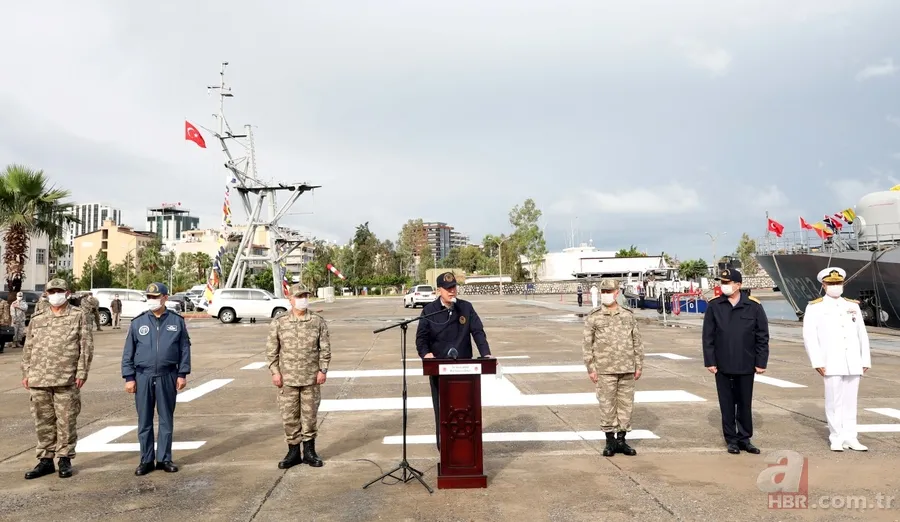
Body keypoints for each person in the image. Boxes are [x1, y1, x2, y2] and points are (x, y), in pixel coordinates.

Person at [21, 278, 93, 479]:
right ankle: (45, 460)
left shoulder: (78, 316)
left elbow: (86, 346)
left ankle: (64, 459)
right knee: (43, 421)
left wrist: (82, 372)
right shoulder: (38, 318)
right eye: (51, 291)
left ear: (67, 293)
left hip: (66, 378)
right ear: (46, 293)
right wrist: (26, 372)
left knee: (66, 421)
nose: (55, 294)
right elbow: (29, 347)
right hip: (39, 378)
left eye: (59, 291)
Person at [415, 271, 492, 450]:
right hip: (439, 370)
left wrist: (486, 353)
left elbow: (478, 332)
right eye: (448, 289)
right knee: (442, 411)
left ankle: (466, 449)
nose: (452, 291)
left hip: (464, 371)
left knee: (465, 411)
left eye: (454, 287)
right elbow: (421, 339)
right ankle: (444, 449)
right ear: (438, 290)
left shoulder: (466, 308)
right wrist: (426, 355)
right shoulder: (429, 311)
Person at [121, 283, 191, 476]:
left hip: (168, 375)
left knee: (166, 419)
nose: (152, 300)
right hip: (142, 375)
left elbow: (184, 348)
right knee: (144, 420)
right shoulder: (138, 322)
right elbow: (128, 352)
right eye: (149, 297)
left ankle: (164, 458)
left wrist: (182, 374)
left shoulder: (176, 321)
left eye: (156, 296)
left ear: (165, 298)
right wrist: (129, 377)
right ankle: (146, 459)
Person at [802, 267, 871, 452]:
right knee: (834, 401)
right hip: (831, 361)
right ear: (823, 285)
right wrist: (817, 361)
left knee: (851, 402)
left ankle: (851, 437)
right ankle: (836, 437)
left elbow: (861, 334)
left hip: (853, 361)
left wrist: (865, 360)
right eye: (831, 284)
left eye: (838, 283)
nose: (835, 286)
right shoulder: (815, 307)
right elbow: (810, 337)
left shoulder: (852, 305)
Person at [702, 268, 769, 454]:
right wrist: (710, 361)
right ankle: (731, 439)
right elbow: (708, 336)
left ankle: (745, 438)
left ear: (738, 285)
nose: (724, 286)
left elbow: (762, 336)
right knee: (727, 403)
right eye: (722, 283)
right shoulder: (715, 306)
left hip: (746, 363)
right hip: (722, 364)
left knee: (744, 403)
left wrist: (761, 361)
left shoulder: (753, 306)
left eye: (728, 282)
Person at [267, 283, 331, 469]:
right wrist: (275, 372)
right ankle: (293, 452)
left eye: (305, 296)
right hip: (287, 379)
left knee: (310, 416)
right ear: (290, 299)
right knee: (289, 416)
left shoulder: (317, 321)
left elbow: (325, 349)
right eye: (299, 296)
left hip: (311, 378)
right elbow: (272, 351)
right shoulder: (280, 322)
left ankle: (309, 452)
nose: (303, 299)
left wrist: (323, 370)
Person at [582, 278, 644, 456]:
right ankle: (609, 440)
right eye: (604, 292)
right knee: (607, 405)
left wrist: (638, 364)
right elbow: (587, 345)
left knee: (626, 405)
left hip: (626, 367)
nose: (606, 295)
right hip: (605, 369)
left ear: (617, 293)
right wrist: (591, 368)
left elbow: (636, 342)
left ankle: (621, 440)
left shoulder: (627, 315)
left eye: (609, 292)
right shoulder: (594, 317)